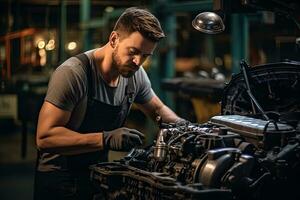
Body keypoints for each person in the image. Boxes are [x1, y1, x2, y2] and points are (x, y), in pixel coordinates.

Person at [34, 7, 187, 200]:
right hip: (59, 178)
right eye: (133, 52)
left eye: (146, 56)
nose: (138, 61)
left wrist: (186, 128)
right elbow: (45, 137)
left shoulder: (135, 75)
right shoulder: (74, 74)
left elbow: (157, 109)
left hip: (98, 173)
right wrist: (105, 139)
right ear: (114, 39)